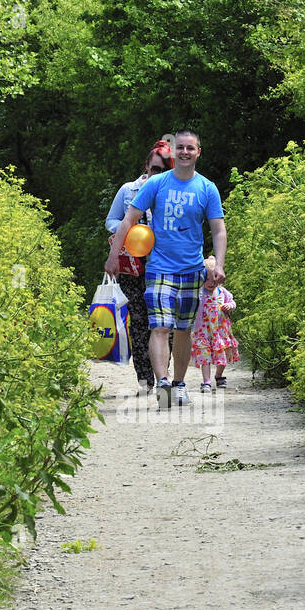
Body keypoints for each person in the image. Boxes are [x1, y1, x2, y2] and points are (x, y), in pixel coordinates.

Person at [105, 129, 227, 408]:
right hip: (159, 268)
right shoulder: (156, 184)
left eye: (190, 148)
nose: (185, 152)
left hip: (192, 269)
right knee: (159, 326)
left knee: (183, 330)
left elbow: (218, 230)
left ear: (198, 153)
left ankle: (179, 384)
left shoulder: (207, 188)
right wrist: (114, 257)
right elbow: (127, 221)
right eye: (180, 148)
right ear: (173, 153)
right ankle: (162, 383)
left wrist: (218, 264)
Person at [104, 141, 174, 394]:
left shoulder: (173, 193)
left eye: (164, 169)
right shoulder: (127, 190)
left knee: (165, 322)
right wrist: (129, 230)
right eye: (155, 169)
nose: (158, 174)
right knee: (139, 322)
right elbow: (111, 220)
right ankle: (145, 380)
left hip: (164, 264)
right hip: (133, 266)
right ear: (146, 166)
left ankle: (163, 375)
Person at [190, 255, 239, 392]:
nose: (211, 283)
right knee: (204, 355)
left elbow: (232, 302)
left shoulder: (222, 292)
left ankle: (218, 375)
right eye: (207, 280)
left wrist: (230, 305)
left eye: (214, 280)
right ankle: (206, 381)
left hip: (220, 331)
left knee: (222, 354)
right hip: (204, 331)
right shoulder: (199, 293)